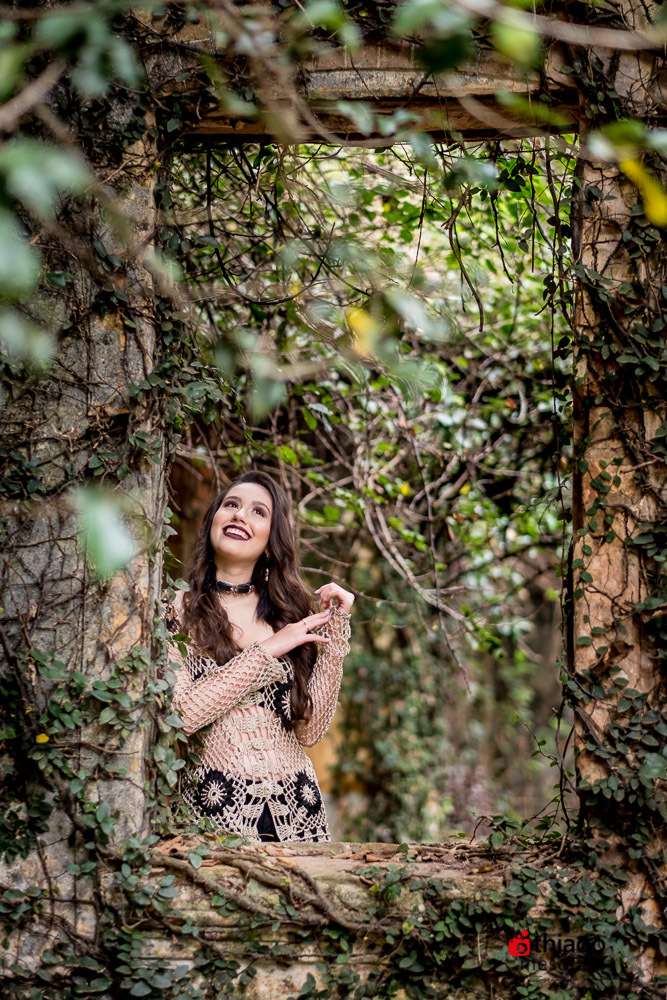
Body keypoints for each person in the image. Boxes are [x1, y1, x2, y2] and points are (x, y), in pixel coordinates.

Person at [160, 470, 353, 843]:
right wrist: (266, 651)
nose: (239, 515)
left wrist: (336, 633)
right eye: (230, 505)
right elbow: (181, 717)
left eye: (257, 512)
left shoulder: (288, 616)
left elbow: (310, 731)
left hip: (298, 808)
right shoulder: (176, 610)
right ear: (213, 521)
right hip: (213, 805)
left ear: (269, 542)